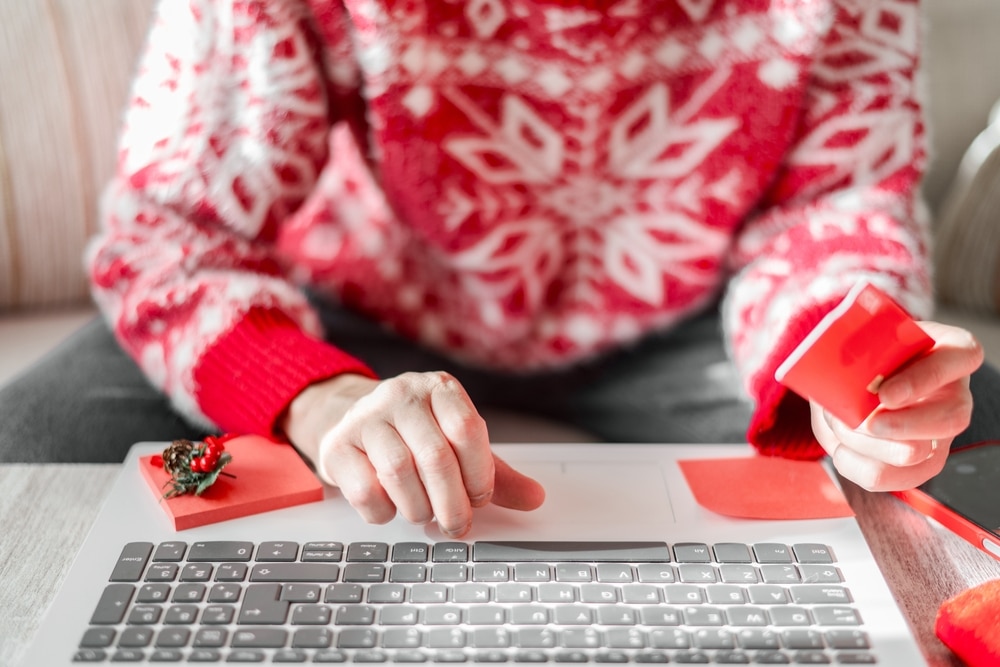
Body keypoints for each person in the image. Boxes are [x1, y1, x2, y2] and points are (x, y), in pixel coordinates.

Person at [0, 0, 991, 540]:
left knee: (967, 441)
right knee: (29, 444)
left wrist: (850, 383)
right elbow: (174, 234)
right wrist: (317, 397)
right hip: (349, 309)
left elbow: (839, 204)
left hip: (700, 312)